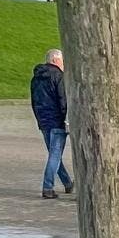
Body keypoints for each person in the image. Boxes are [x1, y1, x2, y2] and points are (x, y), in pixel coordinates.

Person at [30, 49, 73, 199]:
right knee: (55, 155)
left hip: (43, 120)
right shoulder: (58, 76)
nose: (64, 64)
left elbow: (34, 101)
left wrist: (39, 118)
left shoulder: (36, 78)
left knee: (54, 155)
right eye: (62, 61)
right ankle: (47, 187)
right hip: (56, 121)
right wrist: (66, 119)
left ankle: (68, 183)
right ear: (55, 60)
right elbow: (63, 100)